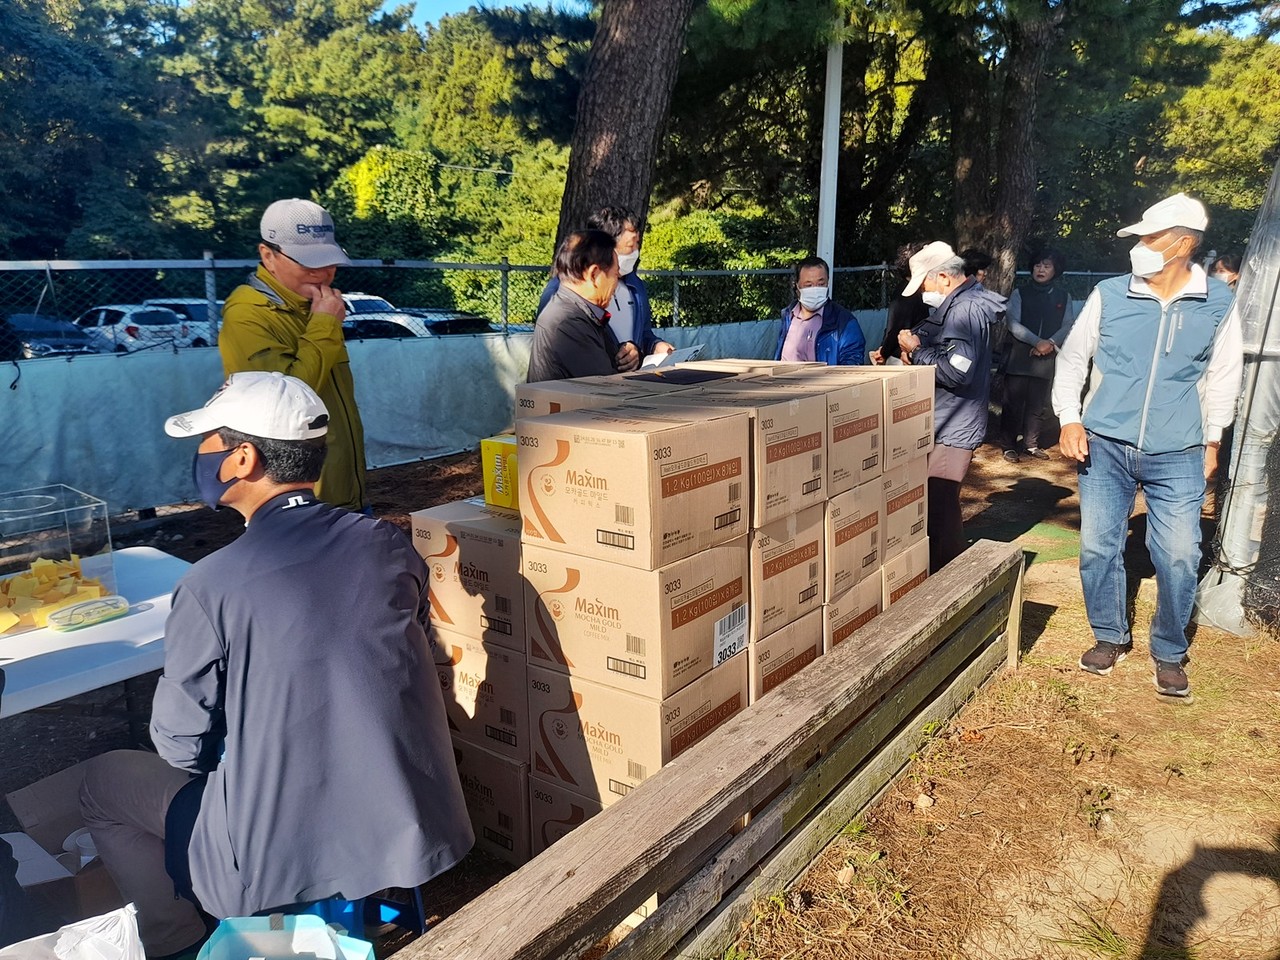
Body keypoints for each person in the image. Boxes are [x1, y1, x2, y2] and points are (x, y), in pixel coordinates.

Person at [79, 372, 473, 956]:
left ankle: (174, 938)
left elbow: (179, 747)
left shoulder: (211, 583)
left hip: (270, 852)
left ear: (242, 459)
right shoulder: (386, 544)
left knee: (100, 783)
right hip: (403, 819)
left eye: (208, 442)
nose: (201, 455)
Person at [1052, 193, 1241, 698]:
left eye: (1149, 237)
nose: (1139, 245)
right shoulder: (1111, 294)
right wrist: (1070, 418)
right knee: (1098, 545)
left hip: (1178, 448)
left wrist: (1212, 441)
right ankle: (1109, 635)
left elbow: (1224, 377)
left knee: (1179, 553)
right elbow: (1073, 360)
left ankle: (1170, 650)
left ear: (1182, 243)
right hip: (1105, 443)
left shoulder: (1217, 303)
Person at [219, 198, 368, 512]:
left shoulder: (312, 307)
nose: (322, 273)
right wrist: (326, 325)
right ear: (268, 256)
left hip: (340, 492)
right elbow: (286, 402)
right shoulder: (248, 314)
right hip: (294, 504)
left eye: (328, 261)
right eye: (307, 262)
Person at [897, 241, 1007, 573]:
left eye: (926, 285)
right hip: (947, 418)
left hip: (952, 425)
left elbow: (957, 371)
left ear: (944, 277)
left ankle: (949, 581)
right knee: (937, 506)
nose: (924, 293)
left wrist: (916, 351)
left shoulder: (964, 310)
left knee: (940, 509)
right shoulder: (964, 302)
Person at [537, 206, 674, 371]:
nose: (636, 252)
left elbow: (642, 335)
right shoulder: (566, 313)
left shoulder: (635, 286)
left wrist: (646, 347)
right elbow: (598, 381)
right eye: (631, 245)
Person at [999, 248, 1077, 462]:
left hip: (1046, 357)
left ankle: (1031, 444)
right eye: (1037, 265)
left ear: (1056, 270)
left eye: (1047, 266)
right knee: (1013, 403)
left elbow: (1068, 324)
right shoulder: (1019, 293)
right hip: (1019, 357)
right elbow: (1013, 322)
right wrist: (1037, 342)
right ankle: (1008, 445)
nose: (1041, 269)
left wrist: (1050, 343)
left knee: (1038, 404)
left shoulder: (1064, 296)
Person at [527, 229, 627, 382]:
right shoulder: (568, 322)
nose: (617, 285)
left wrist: (628, 352)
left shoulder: (579, 311)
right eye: (615, 275)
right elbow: (608, 387)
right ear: (594, 275)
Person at [773, 255, 867, 365]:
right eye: (808, 285)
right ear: (797, 286)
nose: (815, 289)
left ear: (828, 283)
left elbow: (852, 365)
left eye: (821, 284)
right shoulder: (788, 316)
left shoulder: (844, 322)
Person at [871, 242, 929, 365]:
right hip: (901, 357)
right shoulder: (907, 292)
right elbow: (896, 329)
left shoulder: (912, 290)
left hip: (913, 354)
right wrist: (884, 352)